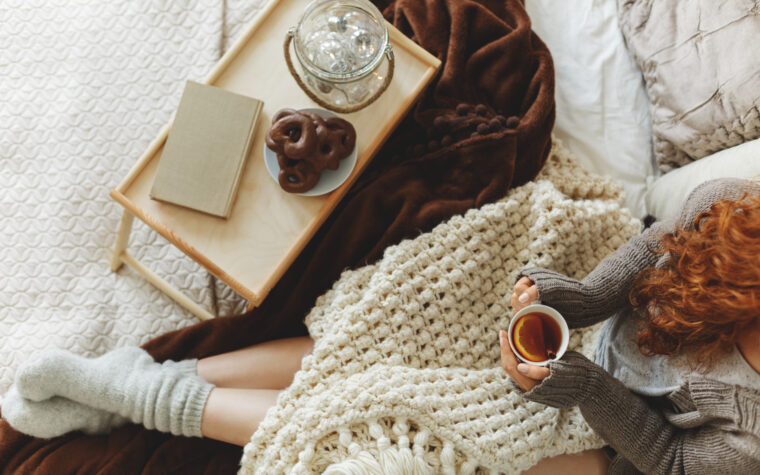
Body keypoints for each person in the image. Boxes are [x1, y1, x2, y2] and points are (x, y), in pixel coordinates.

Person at [2, 178, 759, 474]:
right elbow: (657, 241)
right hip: (583, 318)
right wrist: (579, 298)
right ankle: (146, 384)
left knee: (400, 430)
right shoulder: (743, 218)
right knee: (385, 335)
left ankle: (147, 394)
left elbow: (671, 458)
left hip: (609, 436)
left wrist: (582, 385)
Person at [502, 178, 760, 474]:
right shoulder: (732, 210)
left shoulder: (753, 441)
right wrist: (587, 298)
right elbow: (658, 246)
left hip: (627, 430)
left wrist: (589, 389)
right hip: (619, 309)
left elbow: (674, 459)